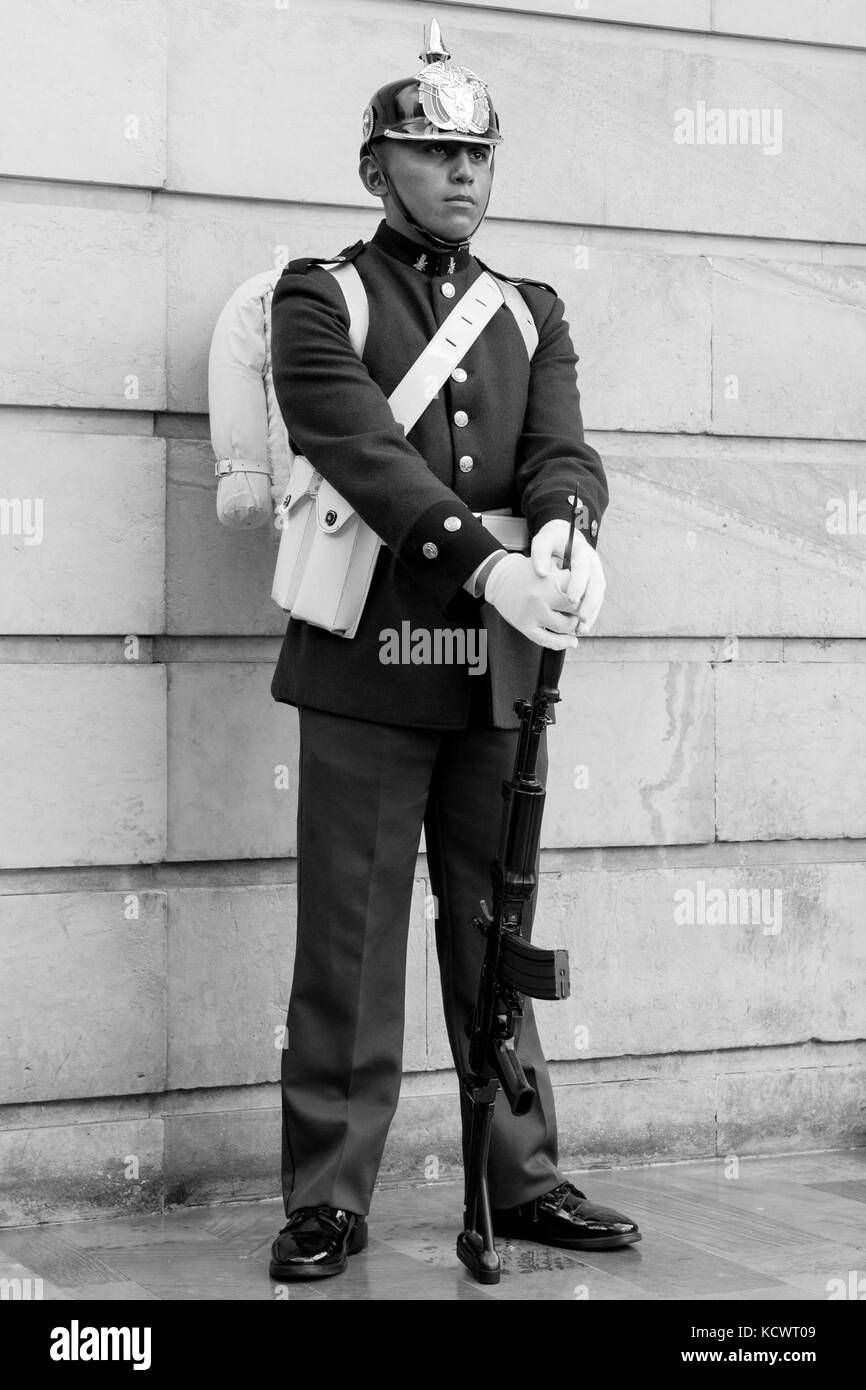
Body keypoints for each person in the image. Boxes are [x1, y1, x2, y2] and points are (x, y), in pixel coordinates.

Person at [267, 18, 640, 1280]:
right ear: (374, 169)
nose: (461, 173)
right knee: (349, 939)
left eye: (476, 152)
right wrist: (484, 562)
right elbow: (356, 448)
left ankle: (521, 1176)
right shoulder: (321, 294)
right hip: (373, 658)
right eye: (430, 153)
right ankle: (327, 1192)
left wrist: (568, 532)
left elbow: (560, 451)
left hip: (499, 664)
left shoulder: (531, 311)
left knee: (496, 931)